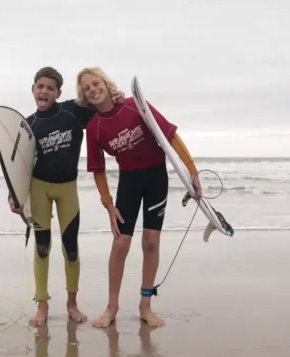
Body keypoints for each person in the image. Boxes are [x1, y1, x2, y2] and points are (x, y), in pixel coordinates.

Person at [75, 66, 202, 328]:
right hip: (129, 182)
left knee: (151, 242)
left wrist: (192, 171)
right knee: (121, 243)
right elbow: (98, 171)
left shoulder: (135, 105)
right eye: (87, 88)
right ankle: (112, 307)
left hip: (156, 178)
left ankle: (145, 305)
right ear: (85, 97)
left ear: (106, 84)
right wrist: (108, 205)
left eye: (95, 83)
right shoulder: (94, 128)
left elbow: (170, 136)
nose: (93, 89)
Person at [7, 66, 125, 327]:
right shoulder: (28, 125)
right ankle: (42, 305)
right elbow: (18, 166)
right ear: (33, 89)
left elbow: (103, 102)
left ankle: (72, 304)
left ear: (58, 92)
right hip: (39, 188)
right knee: (42, 247)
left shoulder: (74, 112)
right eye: (40, 86)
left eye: (50, 88)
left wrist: (118, 96)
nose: (44, 91)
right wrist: (13, 196)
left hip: (67, 188)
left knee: (71, 248)